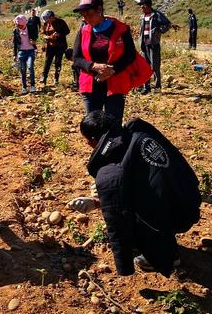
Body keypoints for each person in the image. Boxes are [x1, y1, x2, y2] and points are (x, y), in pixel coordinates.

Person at [69, 110, 200, 277]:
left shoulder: (110, 173)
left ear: (92, 141)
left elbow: (118, 221)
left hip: (173, 218)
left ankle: (165, 256)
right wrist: (99, 199)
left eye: (87, 140)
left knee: (134, 222)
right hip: (189, 198)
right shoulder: (141, 132)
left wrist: (124, 265)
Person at [72, 0, 152, 125]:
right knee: (93, 128)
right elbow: (77, 58)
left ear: (99, 10)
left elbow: (130, 55)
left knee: (113, 126)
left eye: (89, 14)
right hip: (91, 85)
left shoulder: (120, 29)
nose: (86, 18)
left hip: (115, 83)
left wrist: (111, 70)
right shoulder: (84, 30)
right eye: (83, 15)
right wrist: (94, 66)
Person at [138, 0, 171, 94]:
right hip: (144, 45)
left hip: (154, 44)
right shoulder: (142, 16)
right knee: (145, 67)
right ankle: (146, 87)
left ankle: (157, 88)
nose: (141, 8)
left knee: (155, 66)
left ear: (146, 6)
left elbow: (167, 24)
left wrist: (159, 30)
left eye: (142, 6)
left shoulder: (156, 15)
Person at [40, 9, 70, 85]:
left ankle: (56, 78)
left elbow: (67, 31)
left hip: (60, 46)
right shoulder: (46, 24)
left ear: (52, 17)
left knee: (57, 62)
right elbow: (43, 33)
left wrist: (59, 34)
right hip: (50, 46)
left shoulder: (61, 22)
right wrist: (47, 37)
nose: (47, 21)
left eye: (48, 19)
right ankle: (44, 77)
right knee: (47, 62)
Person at [12, 15, 37, 94]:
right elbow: (15, 44)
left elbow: (35, 36)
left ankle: (32, 85)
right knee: (23, 70)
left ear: (24, 23)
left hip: (30, 51)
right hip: (21, 52)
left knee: (30, 67)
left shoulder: (30, 28)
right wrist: (15, 55)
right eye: (18, 25)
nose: (19, 26)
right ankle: (24, 87)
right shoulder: (16, 31)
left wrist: (34, 40)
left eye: (20, 25)